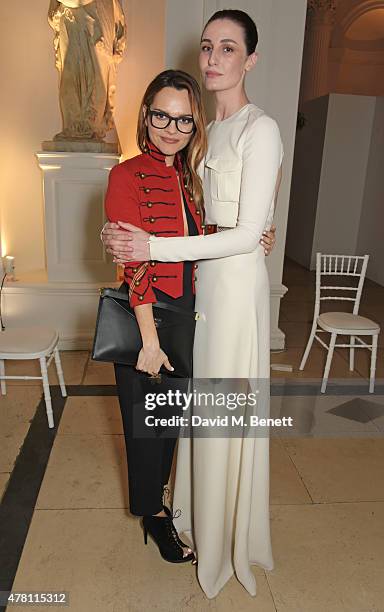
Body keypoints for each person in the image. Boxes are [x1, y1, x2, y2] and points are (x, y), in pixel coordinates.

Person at [102, 10, 283, 598]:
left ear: (250, 59)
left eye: (228, 49)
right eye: (207, 46)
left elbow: (229, 225)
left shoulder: (257, 129)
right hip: (189, 299)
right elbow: (191, 219)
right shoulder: (196, 140)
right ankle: (171, 513)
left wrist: (254, 231)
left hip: (225, 294)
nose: (213, 58)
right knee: (177, 414)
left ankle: (225, 528)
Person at [104, 69, 211, 564]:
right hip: (152, 321)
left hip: (186, 314)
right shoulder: (125, 175)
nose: (171, 127)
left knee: (169, 424)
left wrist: (249, 235)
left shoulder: (188, 175)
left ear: (195, 125)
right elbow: (136, 261)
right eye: (162, 115)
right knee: (147, 429)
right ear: (146, 114)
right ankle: (153, 515)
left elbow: (194, 239)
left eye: (184, 120)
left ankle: (162, 504)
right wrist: (149, 340)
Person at [48, 0, 126, 141]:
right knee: (70, 75)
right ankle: (73, 126)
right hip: (69, 16)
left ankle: (92, 125)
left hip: (97, 14)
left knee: (97, 75)